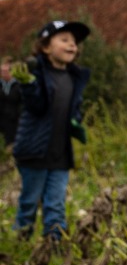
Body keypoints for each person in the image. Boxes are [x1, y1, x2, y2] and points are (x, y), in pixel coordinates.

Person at [11, 21, 92, 240]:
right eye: (64, 40)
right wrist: (28, 84)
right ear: (46, 47)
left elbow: (73, 107)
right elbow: (35, 105)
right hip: (35, 151)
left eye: (74, 42)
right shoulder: (36, 73)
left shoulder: (75, 77)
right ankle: (20, 243)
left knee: (56, 203)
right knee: (29, 201)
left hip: (60, 153)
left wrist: (76, 121)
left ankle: (53, 245)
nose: (72, 45)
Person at [0, 57, 23, 150]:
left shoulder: (18, 85)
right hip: (1, 118)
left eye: (6, 71)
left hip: (13, 120)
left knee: (11, 145)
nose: (4, 74)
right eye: (2, 71)